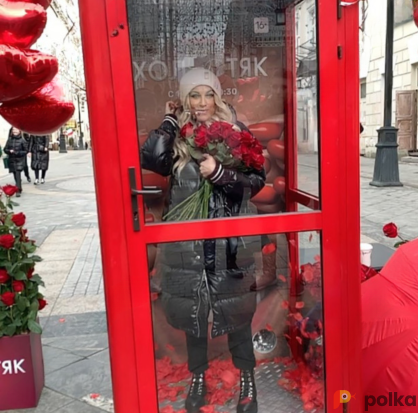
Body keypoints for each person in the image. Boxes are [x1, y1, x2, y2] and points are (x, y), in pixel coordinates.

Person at [141, 68, 266, 413]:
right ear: (184, 100)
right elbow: (152, 159)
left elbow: (257, 180)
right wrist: (169, 119)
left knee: (236, 309)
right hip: (186, 242)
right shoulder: (179, 136)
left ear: (218, 97)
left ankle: (247, 378)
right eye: (192, 96)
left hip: (229, 240)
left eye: (207, 94)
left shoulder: (237, 132)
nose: (200, 103)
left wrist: (222, 173)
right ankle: (199, 376)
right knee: (193, 310)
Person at [4, 127, 28, 197]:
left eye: (16, 130)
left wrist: (17, 153)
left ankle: (17, 191)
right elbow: (5, 149)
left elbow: (25, 151)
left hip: (19, 160)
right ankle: (19, 187)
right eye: (13, 130)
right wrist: (9, 151)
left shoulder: (22, 140)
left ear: (19, 131)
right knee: (15, 175)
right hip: (12, 160)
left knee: (17, 174)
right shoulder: (9, 139)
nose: (14, 131)